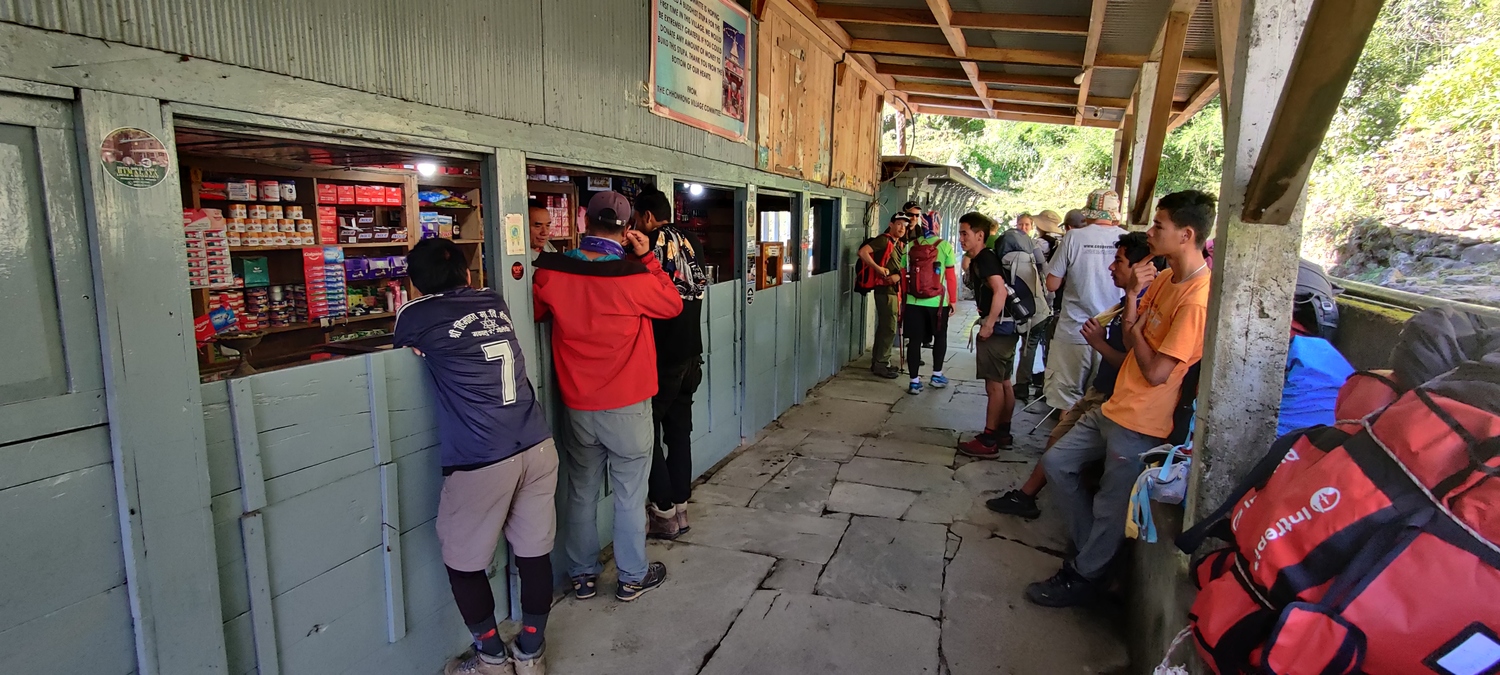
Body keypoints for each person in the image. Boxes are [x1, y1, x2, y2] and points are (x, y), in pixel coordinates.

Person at [1027, 190, 1215, 608]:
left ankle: (1083, 577)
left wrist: (1133, 314)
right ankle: (1095, 558)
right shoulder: (1163, 278)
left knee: (1114, 507)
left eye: (1159, 226)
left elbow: (1156, 371)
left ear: (1186, 234)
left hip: (1144, 422)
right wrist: (1132, 296)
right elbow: (1133, 340)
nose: (1150, 232)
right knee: (1057, 463)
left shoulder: (1197, 299)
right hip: (1116, 404)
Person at [394, 238, 556, 675]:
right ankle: (531, 653)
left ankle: (491, 658)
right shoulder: (494, 300)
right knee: (533, 553)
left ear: (414, 284)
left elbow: (404, 345)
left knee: (463, 563)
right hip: (538, 446)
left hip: (482, 459)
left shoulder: (415, 314)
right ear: (468, 274)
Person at [533, 190, 682, 603]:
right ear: (627, 229)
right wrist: (648, 257)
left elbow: (537, 311)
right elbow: (672, 305)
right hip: (629, 407)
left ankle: (581, 576)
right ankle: (632, 576)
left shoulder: (551, 273)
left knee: (580, 491)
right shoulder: (632, 276)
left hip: (578, 407)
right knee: (630, 495)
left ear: (583, 224)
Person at [986, 232, 1163, 518]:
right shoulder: (1128, 300)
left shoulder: (1144, 302)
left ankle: (1074, 529)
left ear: (1141, 268)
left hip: (1115, 400)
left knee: (1068, 458)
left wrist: (1099, 343)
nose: (1111, 268)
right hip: (1102, 391)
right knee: (1057, 442)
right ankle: (1028, 496)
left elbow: (1138, 365)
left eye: (1118, 261)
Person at [632, 188, 709, 540]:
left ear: (647, 217)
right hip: (692, 352)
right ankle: (681, 509)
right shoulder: (691, 239)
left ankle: (662, 510)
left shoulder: (647, 243)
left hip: (661, 357)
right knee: (679, 434)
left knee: (646, 433)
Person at [1042, 189, 1125, 412]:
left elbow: (1052, 284)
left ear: (1088, 211)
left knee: (1067, 402)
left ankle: (1061, 444)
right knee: (1099, 403)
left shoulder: (1074, 237)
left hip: (1074, 331)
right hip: (1110, 336)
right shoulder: (1125, 240)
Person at [954, 213, 1019, 457]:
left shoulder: (985, 259)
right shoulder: (985, 258)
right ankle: (1003, 431)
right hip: (1009, 327)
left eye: (965, 234)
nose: (961, 239)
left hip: (999, 329)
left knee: (994, 386)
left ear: (980, 235)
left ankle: (989, 439)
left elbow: (999, 291)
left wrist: (989, 324)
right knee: (1004, 382)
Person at [902, 208, 959, 394]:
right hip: (938, 303)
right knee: (940, 337)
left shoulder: (910, 245)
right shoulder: (944, 246)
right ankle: (936, 375)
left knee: (915, 341)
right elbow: (950, 277)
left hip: (913, 301)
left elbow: (903, 275)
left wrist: (904, 298)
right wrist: (954, 300)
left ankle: (914, 381)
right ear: (937, 225)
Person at [1016, 209, 1065, 400]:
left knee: (1030, 342)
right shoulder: (1064, 243)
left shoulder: (1038, 244)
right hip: (1060, 301)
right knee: (1050, 345)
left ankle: (1022, 383)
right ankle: (1046, 384)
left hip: (1039, 299)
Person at [858, 213, 910, 379]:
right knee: (889, 327)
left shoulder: (898, 244)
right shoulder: (884, 240)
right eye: (899, 224)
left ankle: (880, 362)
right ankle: (881, 363)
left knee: (885, 327)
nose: (902, 228)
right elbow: (863, 252)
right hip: (885, 291)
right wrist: (878, 269)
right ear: (891, 224)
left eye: (905, 225)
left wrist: (898, 276)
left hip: (893, 289)